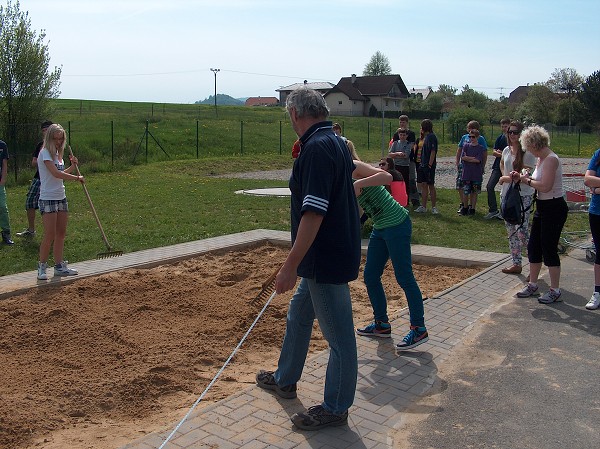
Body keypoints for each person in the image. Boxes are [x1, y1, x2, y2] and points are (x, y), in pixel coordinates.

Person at [255, 88, 361, 430]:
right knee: (299, 314)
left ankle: (335, 407)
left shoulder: (316, 148)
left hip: (324, 258)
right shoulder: (336, 141)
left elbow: (313, 213)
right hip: (324, 254)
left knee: (340, 338)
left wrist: (289, 266)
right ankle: (285, 378)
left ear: (295, 114)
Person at [353, 160, 428, 350]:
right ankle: (382, 324)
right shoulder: (335, 176)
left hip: (397, 223)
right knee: (370, 276)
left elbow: (387, 177)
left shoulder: (352, 166)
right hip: (379, 227)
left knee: (404, 277)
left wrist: (358, 184)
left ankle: (419, 328)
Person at [515, 125, 568, 304]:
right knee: (533, 246)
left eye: (529, 147)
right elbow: (538, 180)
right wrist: (525, 174)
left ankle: (555, 289)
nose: (529, 151)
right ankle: (533, 284)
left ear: (535, 144)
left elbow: (546, 186)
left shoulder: (551, 159)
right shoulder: (540, 159)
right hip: (543, 207)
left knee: (549, 247)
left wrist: (526, 180)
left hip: (554, 207)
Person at [37, 124, 85, 280]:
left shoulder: (58, 154)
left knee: (61, 233)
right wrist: (77, 178)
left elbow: (61, 172)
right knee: (49, 234)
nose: (58, 141)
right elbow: (55, 174)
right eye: (55, 138)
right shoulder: (45, 153)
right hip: (48, 198)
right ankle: (42, 267)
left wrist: (72, 166)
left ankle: (59, 266)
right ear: (49, 137)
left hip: (60, 196)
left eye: (61, 138)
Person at [498, 121, 536, 274]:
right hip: (507, 194)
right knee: (511, 231)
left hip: (523, 195)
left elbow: (528, 174)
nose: (512, 135)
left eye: (515, 132)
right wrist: (504, 176)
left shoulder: (528, 152)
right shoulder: (507, 150)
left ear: (522, 134)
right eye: (510, 132)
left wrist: (507, 179)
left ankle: (535, 264)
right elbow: (502, 163)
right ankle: (516, 263)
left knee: (522, 231)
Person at [17, 120, 53, 237]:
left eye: (46, 130)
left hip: (52, 178)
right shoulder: (40, 145)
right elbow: (34, 162)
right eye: (43, 131)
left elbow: (55, 164)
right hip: (39, 177)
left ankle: (52, 232)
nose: (44, 132)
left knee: (49, 205)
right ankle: (31, 230)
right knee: (30, 201)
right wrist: (43, 162)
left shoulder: (56, 144)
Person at [456, 121, 488, 214]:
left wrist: (482, 165)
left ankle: (471, 207)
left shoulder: (481, 140)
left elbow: (483, 155)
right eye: (468, 128)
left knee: (474, 189)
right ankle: (463, 204)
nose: (470, 136)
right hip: (465, 167)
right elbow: (461, 152)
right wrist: (458, 162)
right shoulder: (464, 139)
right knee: (461, 186)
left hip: (476, 169)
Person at [583, 148, 600, 309]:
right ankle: (597, 292)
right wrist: (594, 188)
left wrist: (597, 188)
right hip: (596, 212)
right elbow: (587, 179)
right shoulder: (598, 154)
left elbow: (593, 182)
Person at [485, 118, 510, 219]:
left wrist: (502, 154)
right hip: (497, 166)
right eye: (502, 126)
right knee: (489, 186)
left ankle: (506, 212)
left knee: (508, 190)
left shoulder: (513, 139)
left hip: (508, 167)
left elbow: (511, 154)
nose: (504, 128)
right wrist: (502, 154)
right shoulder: (500, 138)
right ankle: (493, 210)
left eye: (506, 126)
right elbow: (494, 152)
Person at [415, 119, 439, 214]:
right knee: (424, 185)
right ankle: (423, 206)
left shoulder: (432, 137)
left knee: (431, 185)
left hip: (428, 166)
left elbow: (433, 151)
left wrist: (429, 164)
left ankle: (434, 207)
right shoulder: (425, 137)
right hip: (422, 164)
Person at [388, 128, 411, 200]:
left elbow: (406, 155)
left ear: (406, 136)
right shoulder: (395, 143)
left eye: (404, 135)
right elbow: (390, 154)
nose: (402, 136)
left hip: (404, 166)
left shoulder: (408, 144)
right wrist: (398, 153)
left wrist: (397, 155)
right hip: (396, 165)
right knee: (395, 182)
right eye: (401, 135)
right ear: (398, 135)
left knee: (405, 183)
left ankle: (406, 199)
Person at [0, 139, 14, 245]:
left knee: (3, 207)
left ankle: (6, 233)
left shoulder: (2, 145)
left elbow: (4, 163)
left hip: (0, 182)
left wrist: (3, 179)